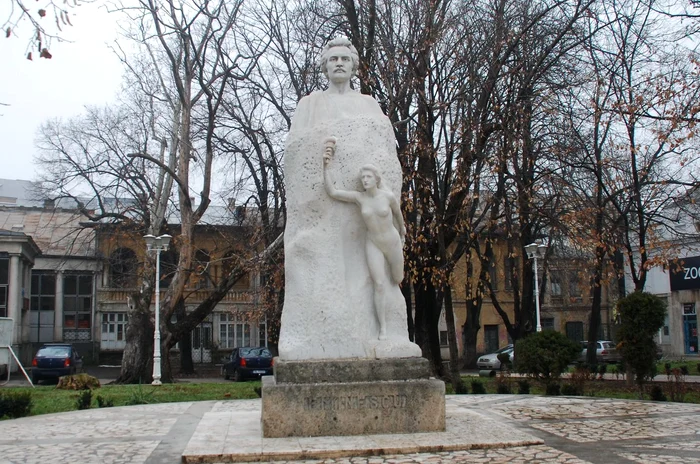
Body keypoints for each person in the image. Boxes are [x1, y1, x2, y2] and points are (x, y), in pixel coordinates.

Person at [323, 138, 406, 340]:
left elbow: (399, 218)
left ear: (376, 179)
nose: (364, 180)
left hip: (392, 242)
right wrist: (326, 166)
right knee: (378, 284)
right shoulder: (360, 198)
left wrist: (403, 235)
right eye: (363, 177)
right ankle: (383, 328)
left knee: (398, 278)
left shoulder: (388, 197)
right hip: (374, 243)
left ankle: (392, 312)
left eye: (368, 176)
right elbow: (333, 192)